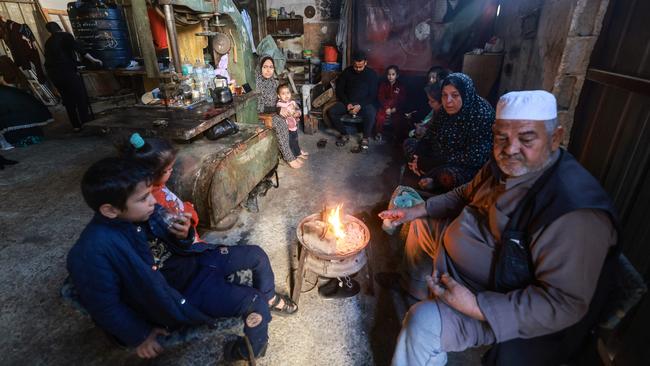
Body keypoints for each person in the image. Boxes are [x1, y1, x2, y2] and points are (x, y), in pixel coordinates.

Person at [378, 90, 618, 366]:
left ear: (555, 138)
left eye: (526, 138)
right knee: (420, 224)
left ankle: (430, 322)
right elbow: (463, 194)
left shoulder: (572, 211)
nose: (510, 148)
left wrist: (477, 307)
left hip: (489, 296)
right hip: (455, 256)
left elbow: (563, 304)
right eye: (501, 137)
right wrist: (412, 211)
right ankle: (417, 290)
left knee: (420, 325)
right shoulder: (500, 166)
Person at [67, 158, 298, 361]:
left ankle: (269, 298)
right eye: (143, 197)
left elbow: (184, 244)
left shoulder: (148, 212)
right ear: (109, 210)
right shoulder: (92, 250)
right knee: (252, 302)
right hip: (183, 292)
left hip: (198, 261)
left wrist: (185, 233)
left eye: (150, 193)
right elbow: (104, 306)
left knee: (256, 255)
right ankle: (247, 351)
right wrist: (139, 335)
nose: (152, 201)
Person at [407, 73, 494, 192]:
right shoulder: (444, 111)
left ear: (465, 94)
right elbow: (430, 134)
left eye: (455, 95)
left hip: (462, 163)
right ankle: (423, 170)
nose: (448, 101)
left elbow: (474, 157)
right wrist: (418, 154)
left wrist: (432, 162)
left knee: (448, 177)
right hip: (440, 153)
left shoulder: (481, 114)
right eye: (444, 95)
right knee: (410, 144)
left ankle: (433, 179)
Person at [120, 133, 200, 239]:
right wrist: (190, 214)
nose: (172, 170)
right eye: (167, 170)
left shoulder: (159, 185)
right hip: (185, 238)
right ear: (151, 175)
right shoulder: (154, 200)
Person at [43, 22, 102, 132]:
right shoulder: (66, 36)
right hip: (67, 72)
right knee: (80, 98)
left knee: (68, 101)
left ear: (49, 31)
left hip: (54, 75)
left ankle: (76, 126)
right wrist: (94, 60)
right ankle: (86, 123)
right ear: (59, 27)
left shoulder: (48, 42)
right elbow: (79, 49)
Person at [255, 56, 302, 168]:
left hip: (275, 111)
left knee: (292, 119)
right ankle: (289, 158)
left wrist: (292, 110)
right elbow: (258, 107)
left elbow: (282, 99)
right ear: (260, 68)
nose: (268, 70)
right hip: (262, 115)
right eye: (265, 67)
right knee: (281, 123)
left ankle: (295, 150)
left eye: (271, 67)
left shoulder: (274, 82)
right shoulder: (256, 83)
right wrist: (278, 110)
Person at [327, 51, 379, 149]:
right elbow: (340, 90)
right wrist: (347, 104)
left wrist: (360, 105)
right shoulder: (347, 72)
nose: (358, 69)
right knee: (332, 111)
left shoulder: (372, 74)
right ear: (352, 63)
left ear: (366, 63)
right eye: (355, 67)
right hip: (348, 102)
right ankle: (344, 134)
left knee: (371, 113)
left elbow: (373, 95)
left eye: (360, 66)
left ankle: (365, 137)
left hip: (364, 103)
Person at [403, 82, 443, 157]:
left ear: (442, 102)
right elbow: (429, 124)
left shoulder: (443, 115)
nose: (429, 103)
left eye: (432, 101)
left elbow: (434, 138)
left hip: (436, 148)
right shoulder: (436, 111)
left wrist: (422, 132)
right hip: (427, 136)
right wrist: (422, 126)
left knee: (412, 144)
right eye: (429, 100)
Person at [276, 84, 308, 162]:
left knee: (296, 139)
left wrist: (298, 113)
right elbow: (282, 114)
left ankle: (298, 152)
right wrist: (289, 111)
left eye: (288, 93)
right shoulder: (279, 105)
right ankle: (294, 155)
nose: (286, 95)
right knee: (290, 142)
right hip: (286, 127)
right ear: (279, 96)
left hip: (294, 126)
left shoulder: (293, 102)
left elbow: (298, 110)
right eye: (283, 94)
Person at [375, 65, 407, 143]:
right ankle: (378, 133)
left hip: (395, 108)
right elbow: (381, 97)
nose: (390, 76)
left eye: (393, 74)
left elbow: (402, 100)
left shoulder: (400, 86)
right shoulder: (383, 84)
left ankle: (396, 136)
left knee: (398, 119)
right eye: (389, 74)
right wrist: (386, 107)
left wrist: (395, 108)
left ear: (397, 75)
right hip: (385, 107)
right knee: (380, 117)